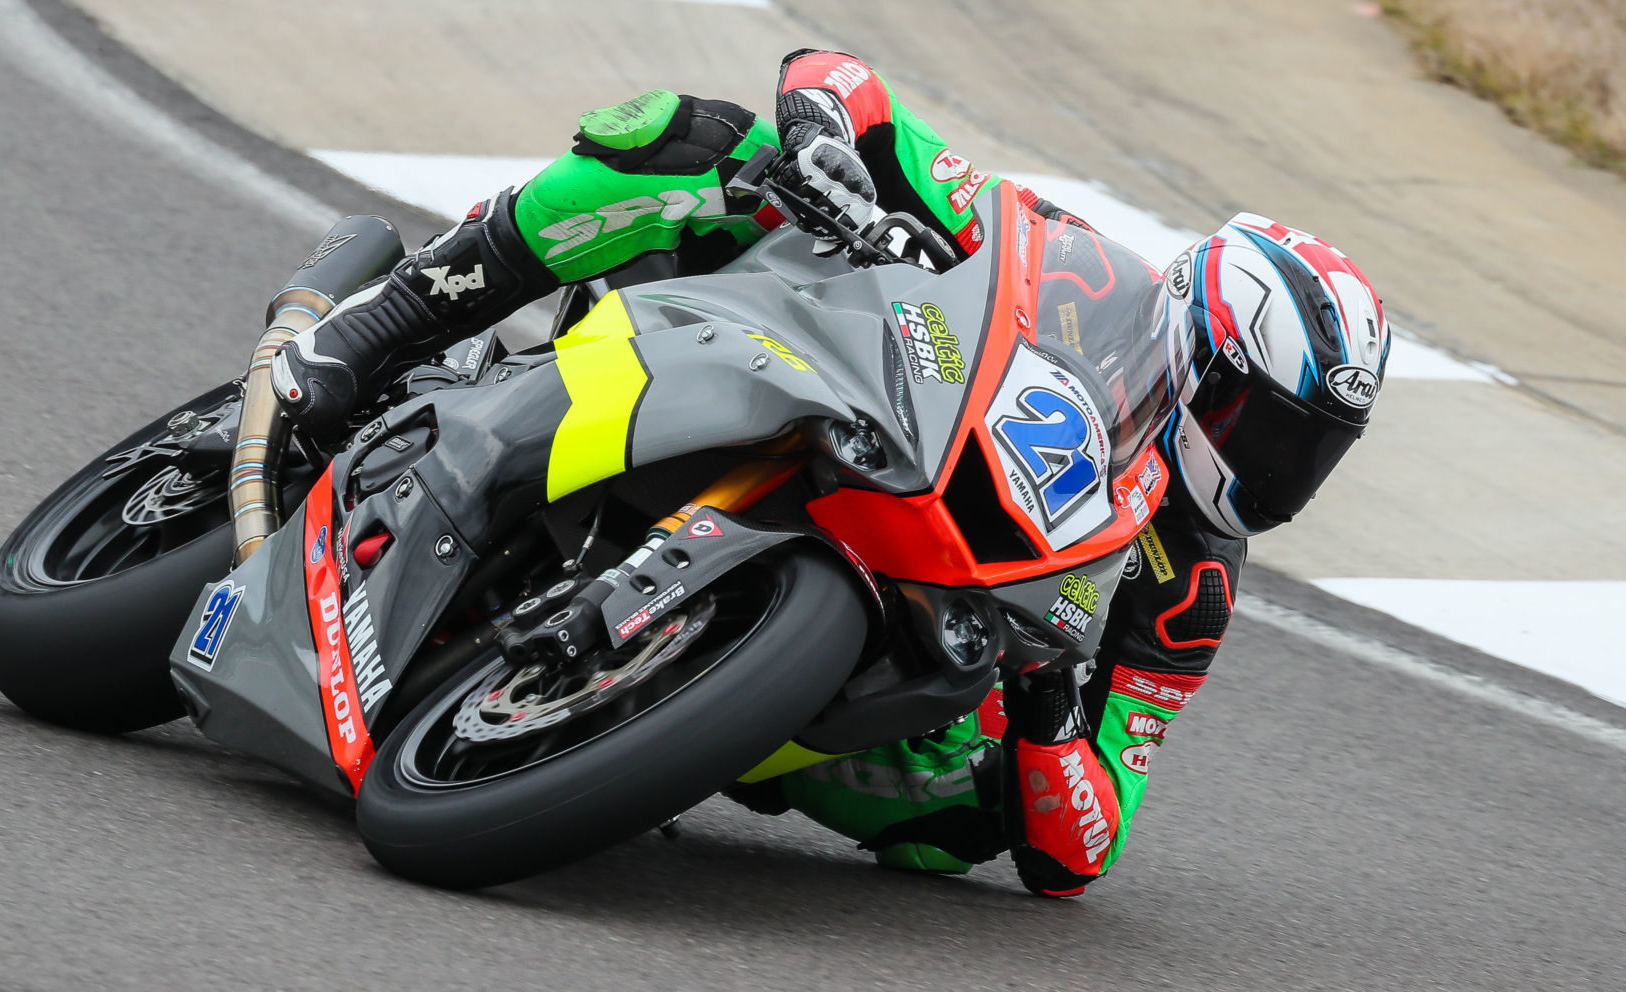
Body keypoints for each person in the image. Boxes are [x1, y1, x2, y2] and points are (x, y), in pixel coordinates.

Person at [271, 50, 1390, 897]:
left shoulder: (1192, 581)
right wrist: (826, 147)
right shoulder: (1076, 268)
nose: (1276, 468)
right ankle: (389, 321)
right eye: (1270, 425)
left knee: (967, 804)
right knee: (699, 140)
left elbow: (1084, 844)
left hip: (916, 623)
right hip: (822, 381)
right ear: (1203, 344)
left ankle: (669, 714)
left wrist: (1048, 701)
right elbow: (843, 81)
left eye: (1311, 454)